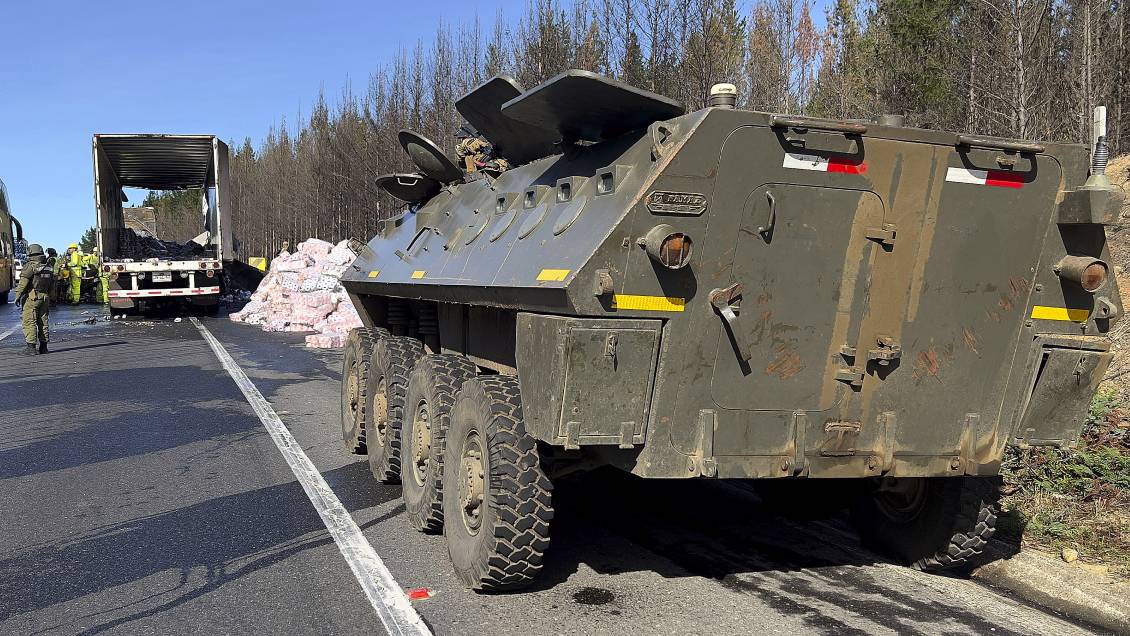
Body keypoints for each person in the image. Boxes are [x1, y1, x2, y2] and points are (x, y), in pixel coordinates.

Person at [14, 243, 53, 355]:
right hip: (45, 297)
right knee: (43, 322)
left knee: (29, 321)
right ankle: (44, 347)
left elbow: (22, 284)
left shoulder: (30, 266)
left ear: (30, 253)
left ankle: (31, 348)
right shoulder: (49, 266)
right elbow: (52, 284)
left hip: (32, 298)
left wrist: (17, 297)